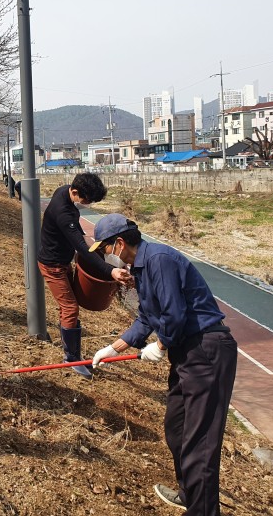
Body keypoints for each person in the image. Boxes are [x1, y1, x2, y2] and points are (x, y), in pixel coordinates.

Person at [91, 214, 237, 515]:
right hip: (187, 353)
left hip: (206, 350)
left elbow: (174, 314)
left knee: (201, 444)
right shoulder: (141, 268)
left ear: (119, 244)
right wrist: (113, 348)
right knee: (176, 428)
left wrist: (159, 345)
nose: (107, 256)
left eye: (105, 249)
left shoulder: (159, 260)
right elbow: (146, 317)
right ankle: (189, 493)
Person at [37, 173, 132, 378]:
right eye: (87, 200)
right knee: (70, 307)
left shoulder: (63, 191)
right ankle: (71, 358)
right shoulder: (63, 212)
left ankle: (74, 354)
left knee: (69, 308)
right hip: (53, 265)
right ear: (75, 192)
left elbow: (79, 236)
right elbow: (81, 247)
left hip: (62, 260)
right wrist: (111, 270)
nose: (88, 204)